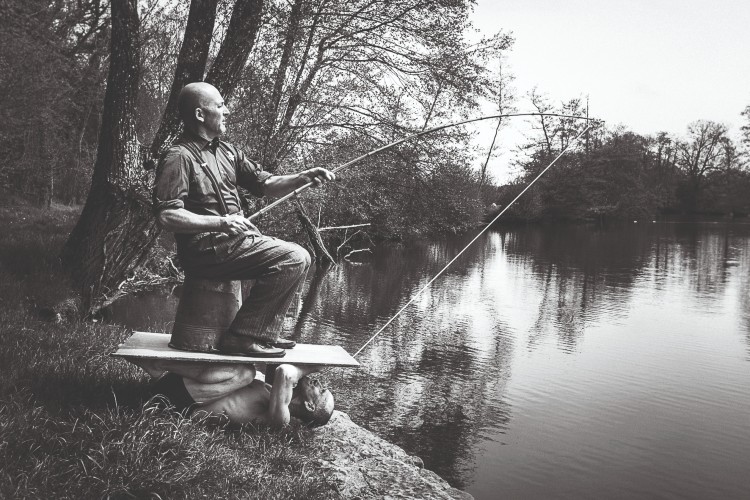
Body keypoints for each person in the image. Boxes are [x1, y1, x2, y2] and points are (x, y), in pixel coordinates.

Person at [153, 82, 335, 357]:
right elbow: (167, 215)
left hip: (233, 242)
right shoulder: (179, 156)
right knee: (294, 258)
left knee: (301, 258)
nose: (227, 111)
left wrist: (303, 177)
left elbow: (266, 182)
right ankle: (244, 337)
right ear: (201, 115)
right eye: (220, 105)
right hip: (204, 249)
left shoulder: (228, 151)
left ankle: (265, 333)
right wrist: (221, 223)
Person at [136, 359, 335, 428]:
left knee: (245, 373)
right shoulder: (271, 391)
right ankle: (161, 369)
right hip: (181, 390)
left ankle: (159, 366)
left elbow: (284, 371)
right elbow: (279, 367)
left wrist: (312, 367)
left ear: (310, 406)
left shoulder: (280, 418)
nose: (320, 383)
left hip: (173, 406)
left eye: (321, 390)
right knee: (244, 368)